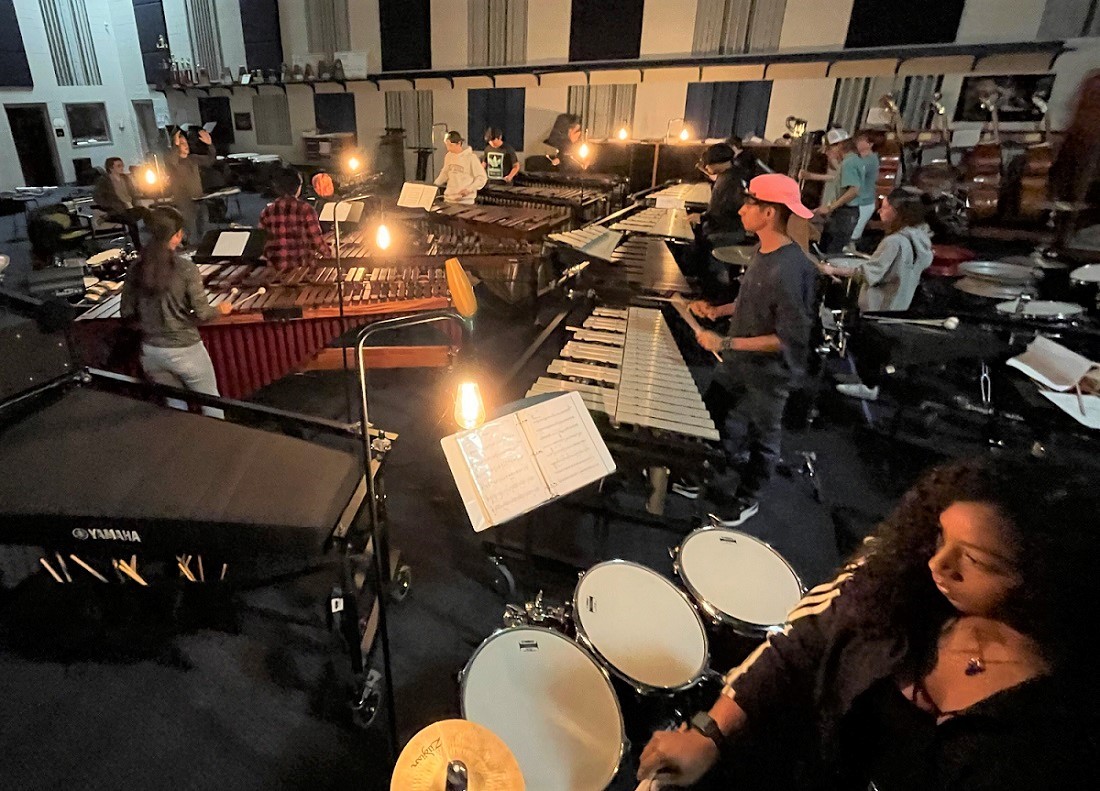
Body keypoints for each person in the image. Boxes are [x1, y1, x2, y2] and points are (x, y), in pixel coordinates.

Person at [639, 455, 1099, 790]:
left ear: (1041, 579)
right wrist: (711, 731)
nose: (938, 564)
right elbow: (804, 645)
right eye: (941, 537)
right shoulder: (904, 589)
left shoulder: (1054, 734)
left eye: (975, 560)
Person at [683, 174, 817, 525]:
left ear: (770, 213)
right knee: (711, 413)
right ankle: (703, 471)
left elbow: (787, 337)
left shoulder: (792, 268)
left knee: (763, 437)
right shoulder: (763, 250)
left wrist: (724, 341)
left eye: (750, 203)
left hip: (770, 373)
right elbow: (749, 301)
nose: (742, 209)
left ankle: (748, 498)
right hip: (738, 362)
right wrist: (717, 311)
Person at [820, 187, 934, 402]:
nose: (879, 212)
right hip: (901, 301)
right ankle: (871, 382)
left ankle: (868, 387)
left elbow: (868, 272)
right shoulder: (920, 236)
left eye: (885, 207)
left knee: (870, 348)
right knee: (882, 350)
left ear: (899, 212)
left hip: (881, 304)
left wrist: (832, 270)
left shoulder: (894, 241)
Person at [120, 206, 231, 419]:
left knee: (175, 407)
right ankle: (218, 446)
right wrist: (220, 309)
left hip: (151, 353)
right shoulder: (186, 269)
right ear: (178, 234)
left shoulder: (135, 268)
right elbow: (202, 314)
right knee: (212, 406)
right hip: (186, 350)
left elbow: (126, 313)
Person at [682, 144, 747, 300]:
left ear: (718, 162)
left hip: (725, 233)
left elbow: (724, 210)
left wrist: (703, 217)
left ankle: (715, 300)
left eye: (708, 164)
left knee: (712, 268)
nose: (707, 167)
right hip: (728, 229)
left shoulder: (729, 180)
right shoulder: (732, 175)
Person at [800, 128, 863, 255]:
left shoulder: (849, 162)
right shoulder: (851, 160)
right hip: (845, 213)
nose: (827, 153)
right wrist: (811, 176)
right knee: (827, 248)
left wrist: (830, 207)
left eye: (829, 149)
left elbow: (854, 190)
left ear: (839, 145)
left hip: (845, 214)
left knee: (832, 253)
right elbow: (837, 179)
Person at [258, 167, 332, 271]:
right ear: (298, 187)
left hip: (275, 271)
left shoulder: (266, 212)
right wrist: (329, 254)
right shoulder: (306, 209)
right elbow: (316, 241)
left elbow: (261, 242)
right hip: (303, 269)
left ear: (277, 188)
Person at [165, 128, 217, 245]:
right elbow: (172, 161)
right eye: (183, 144)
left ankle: (201, 247)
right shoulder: (173, 161)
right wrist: (175, 146)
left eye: (186, 143)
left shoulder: (192, 158)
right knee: (190, 228)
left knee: (203, 224)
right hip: (185, 201)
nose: (186, 146)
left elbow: (209, 160)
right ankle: (189, 249)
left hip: (199, 198)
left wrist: (210, 145)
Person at [92, 157, 146, 249]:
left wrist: (137, 201)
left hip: (130, 207)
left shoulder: (126, 178)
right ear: (111, 168)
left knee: (147, 212)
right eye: (119, 166)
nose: (122, 167)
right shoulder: (104, 181)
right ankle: (138, 247)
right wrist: (109, 205)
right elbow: (97, 197)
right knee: (131, 220)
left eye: (122, 165)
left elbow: (133, 193)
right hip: (116, 209)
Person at [434, 130, 488, 205]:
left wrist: (469, 189)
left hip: (465, 201)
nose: (448, 148)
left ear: (459, 143)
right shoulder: (448, 156)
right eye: (447, 145)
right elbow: (444, 173)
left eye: (450, 145)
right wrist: (434, 185)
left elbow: (482, 178)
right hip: (449, 199)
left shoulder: (471, 158)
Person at [852, 132, 881, 245]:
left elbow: (853, 175)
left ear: (870, 144)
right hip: (859, 200)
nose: (858, 142)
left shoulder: (871, 159)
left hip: (865, 201)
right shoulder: (859, 159)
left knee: (853, 235)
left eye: (861, 140)